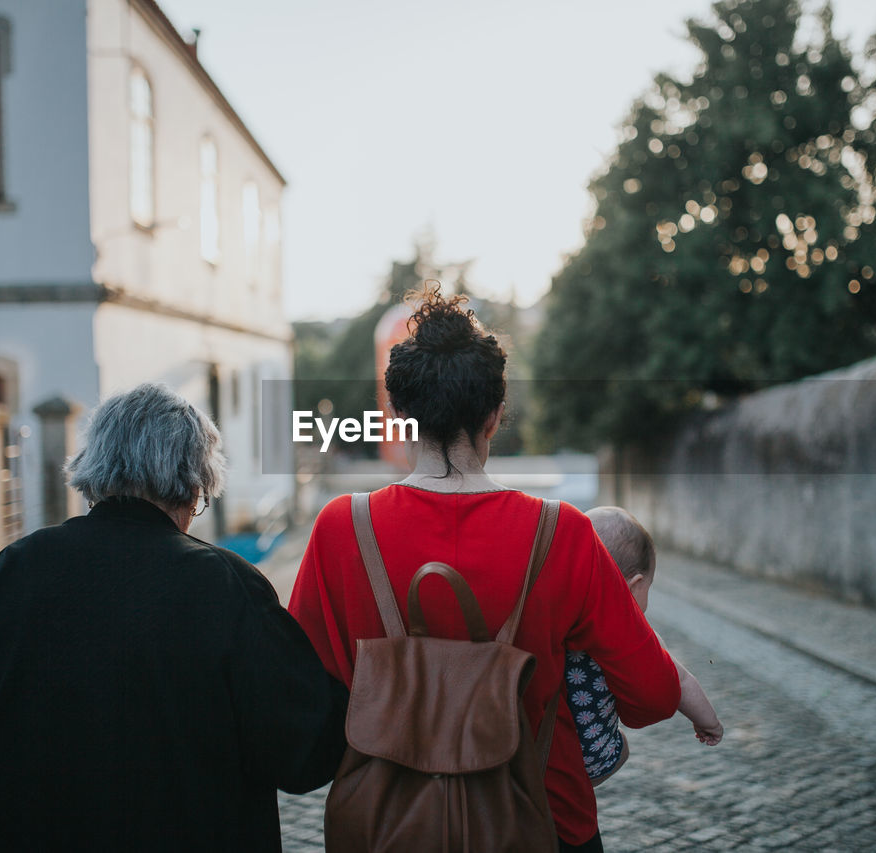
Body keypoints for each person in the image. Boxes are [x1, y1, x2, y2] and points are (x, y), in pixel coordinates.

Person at [0, 383, 347, 853]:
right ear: (192, 486)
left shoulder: (5, 573)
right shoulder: (224, 586)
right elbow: (302, 754)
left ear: (95, 473)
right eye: (200, 499)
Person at [288, 285, 681, 853]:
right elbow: (652, 698)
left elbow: (306, 701)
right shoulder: (565, 532)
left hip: (388, 825)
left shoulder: (340, 528)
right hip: (543, 819)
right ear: (495, 416)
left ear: (398, 414)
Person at [566, 506, 723, 785]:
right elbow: (682, 681)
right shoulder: (633, 635)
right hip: (592, 761)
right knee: (622, 747)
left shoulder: (554, 616)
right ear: (635, 584)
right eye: (648, 588)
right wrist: (708, 722)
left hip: (536, 751)